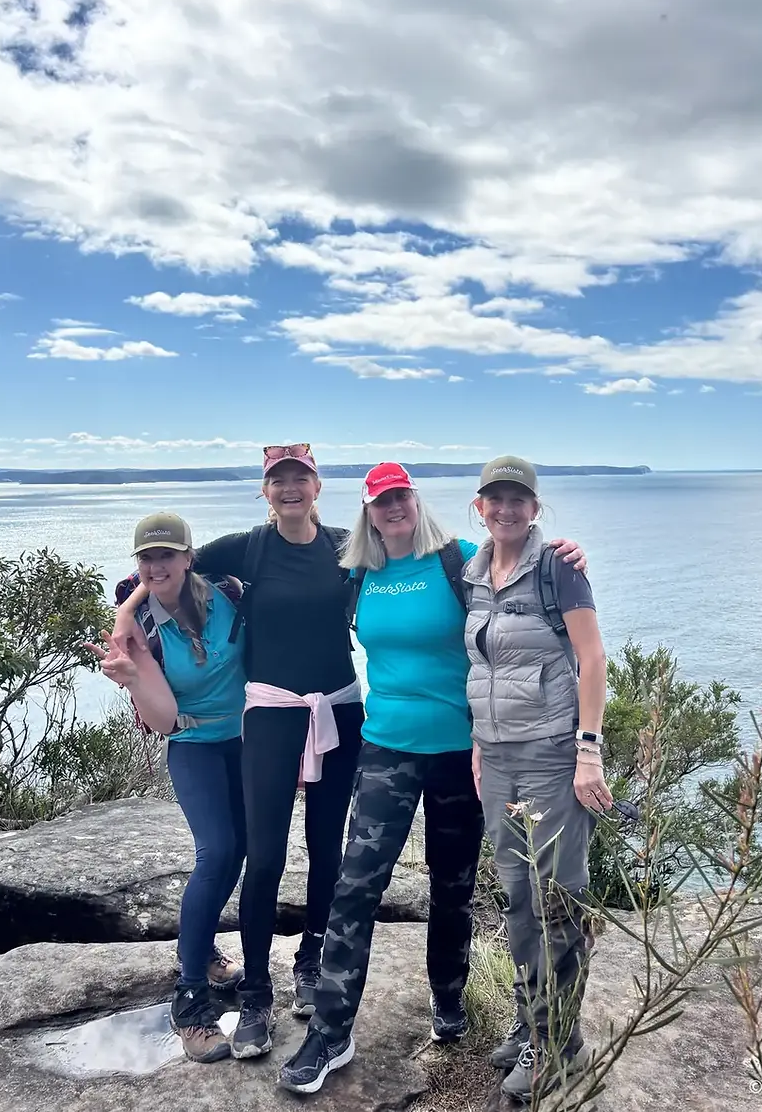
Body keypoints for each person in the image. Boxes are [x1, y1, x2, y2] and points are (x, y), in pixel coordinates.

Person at [278, 462, 588, 1097]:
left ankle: (450, 1000)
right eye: (381, 501)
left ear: (414, 500)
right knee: (355, 885)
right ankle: (332, 1031)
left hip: (462, 751)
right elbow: (280, 587)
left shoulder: (459, 560)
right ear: (368, 510)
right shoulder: (356, 573)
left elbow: (524, 570)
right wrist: (143, 601)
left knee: (454, 885)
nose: (392, 508)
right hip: (385, 747)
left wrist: (567, 551)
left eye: (401, 497)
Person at [112, 445, 362, 1061]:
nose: (290, 489)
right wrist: (125, 624)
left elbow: (419, 559)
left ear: (317, 485)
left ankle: (311, 959)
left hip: (339, 706)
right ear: (265, 491)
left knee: (329, 844)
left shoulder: (345, 544)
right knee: (261, 852)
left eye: (300, 478)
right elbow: (148, 578)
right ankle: (255, 992)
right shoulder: (245, 548)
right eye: (278, 481)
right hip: (272, 715)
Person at [464, 456, 613, 1106]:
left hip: (554, 755)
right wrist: (477, 743)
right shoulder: (474, 573)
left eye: (517, 499)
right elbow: (485, 665)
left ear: (535, 506)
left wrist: (589, 753)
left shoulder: (557, 567)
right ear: (480, 507)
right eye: (495, 499)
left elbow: (592, 657)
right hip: (497, 758)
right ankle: (534, 1022)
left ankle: (556, 1043)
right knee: (519, 898)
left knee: (557, 901)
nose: (507, 509)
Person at [86, 512, 247, 1064]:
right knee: (217, 852)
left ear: (188, 557)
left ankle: (198, 953)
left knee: (241, 853)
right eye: (146, 558)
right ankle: (190, 1001)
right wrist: (131, 671)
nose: (156, 566)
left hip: (248, 743)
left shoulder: (229, 596)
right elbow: (162, 719)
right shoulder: (143, 629)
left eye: (166, 555)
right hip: (195, 746)